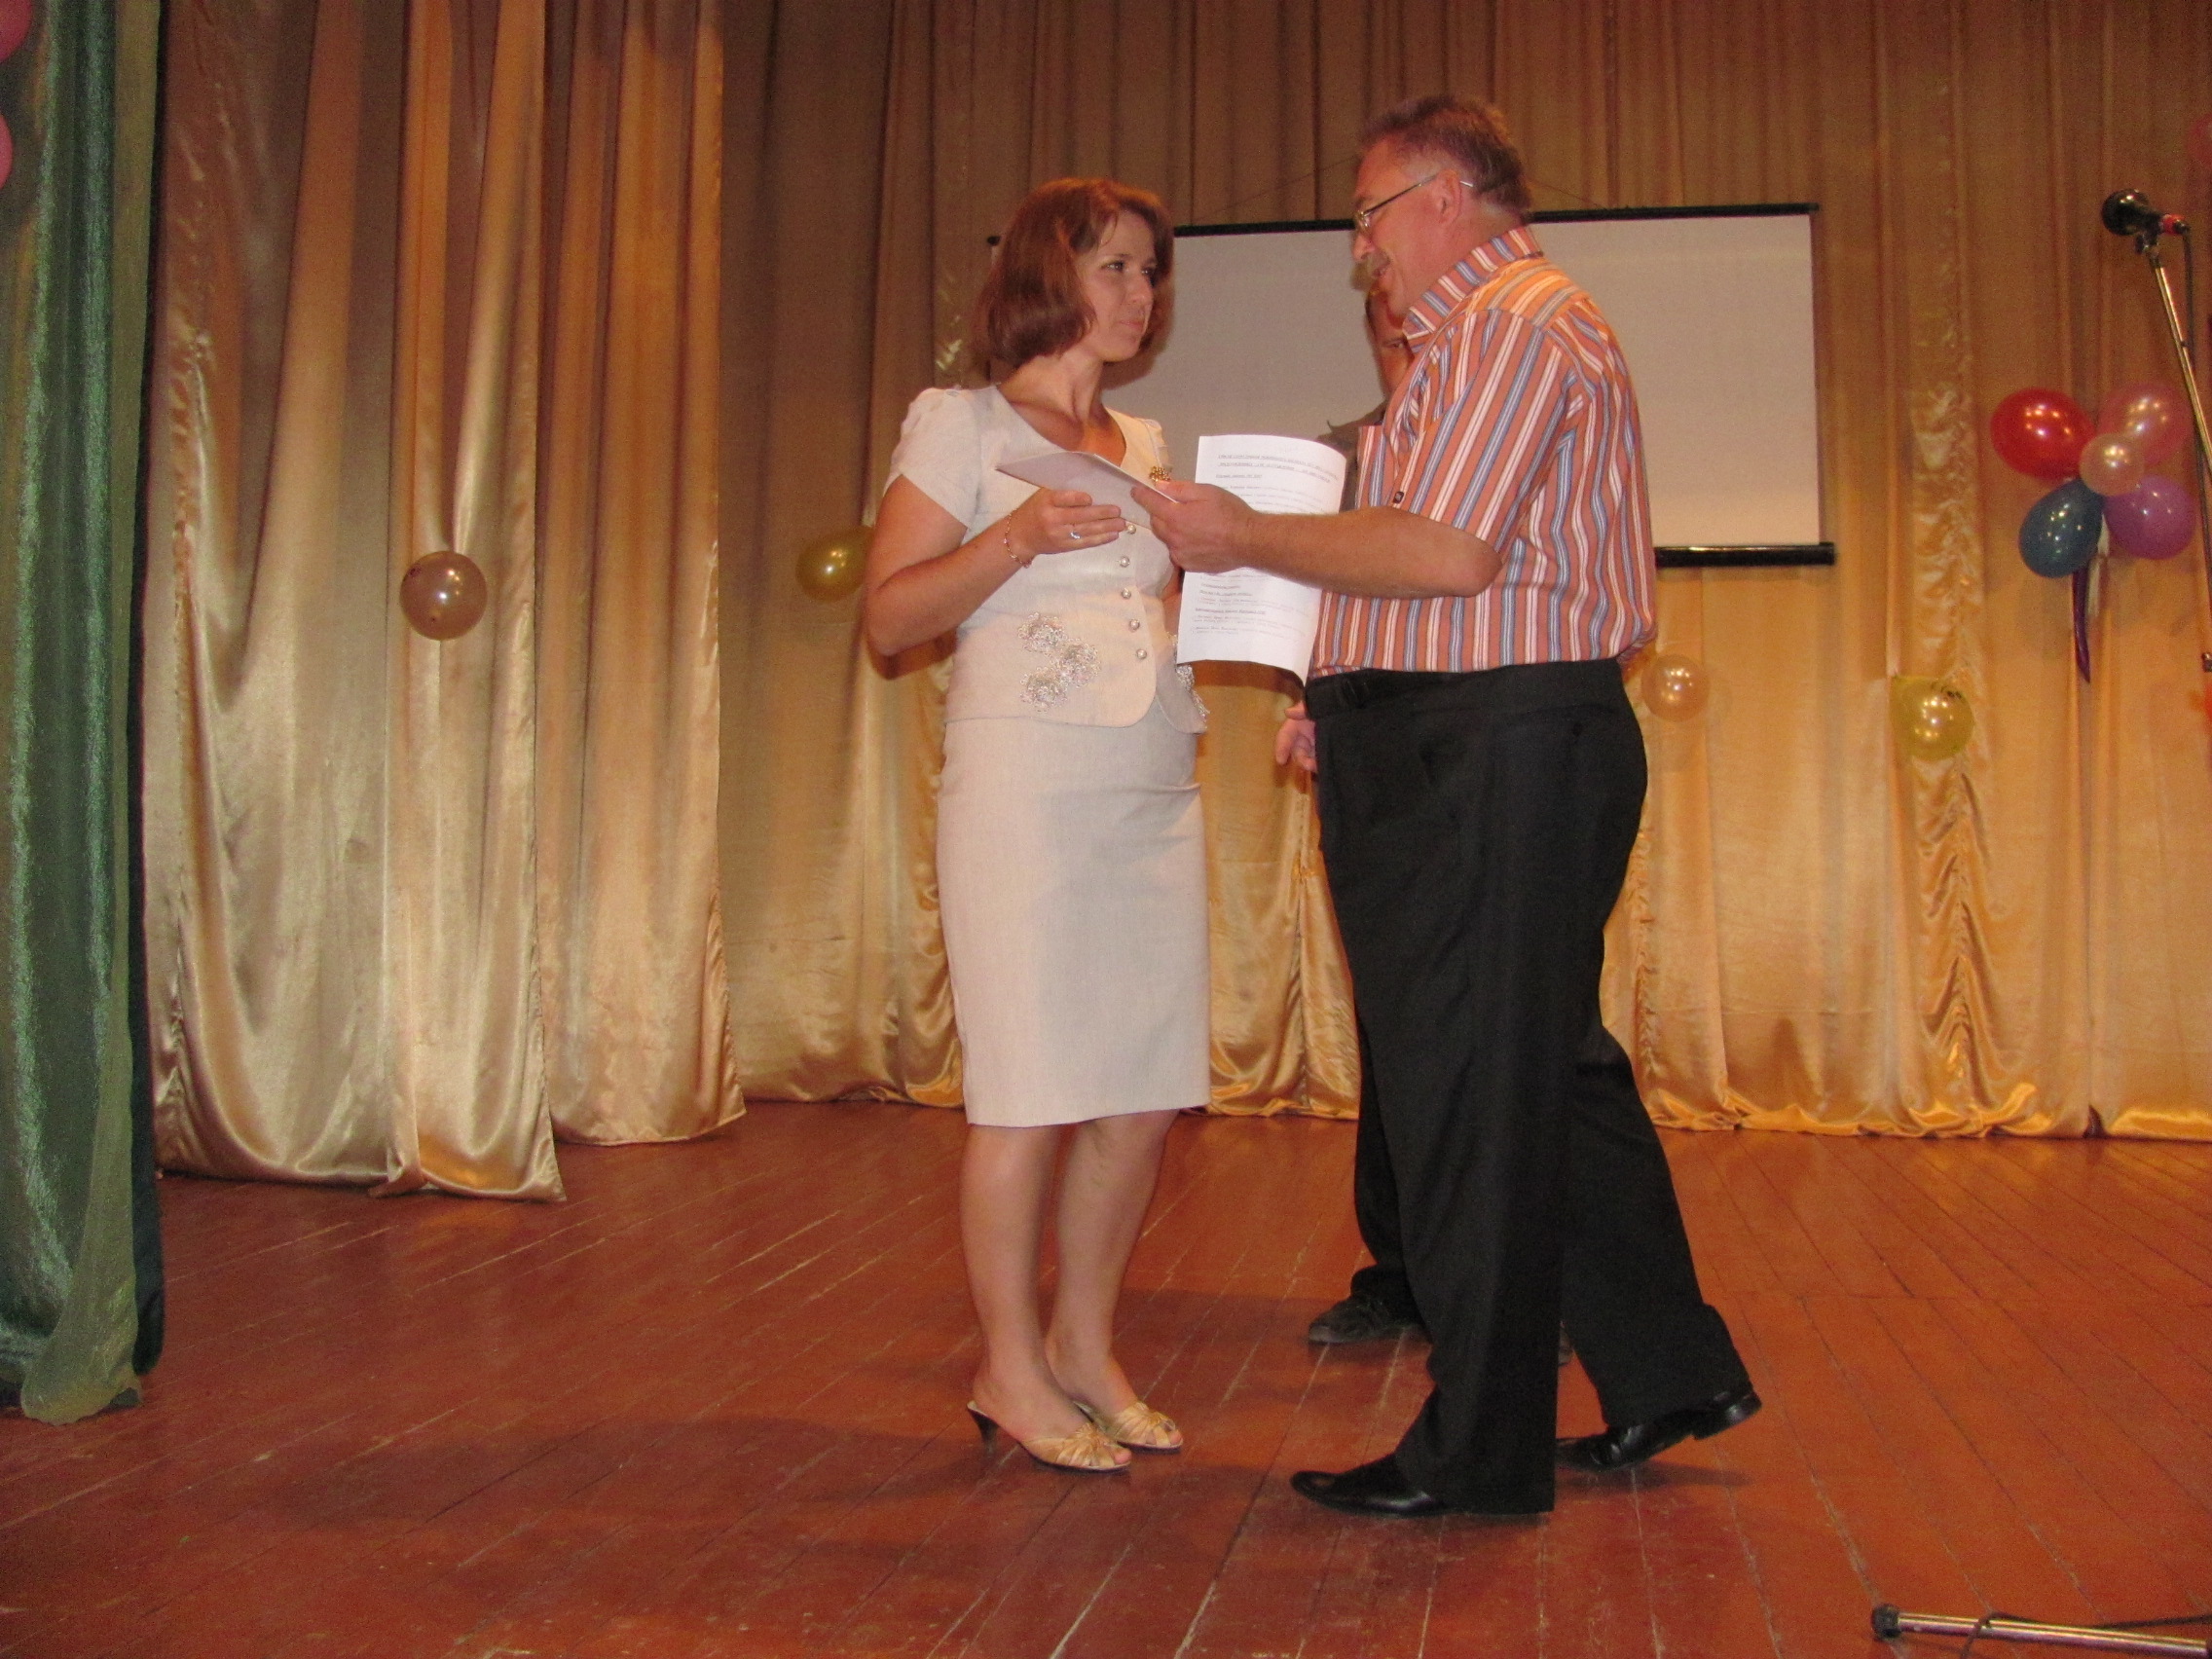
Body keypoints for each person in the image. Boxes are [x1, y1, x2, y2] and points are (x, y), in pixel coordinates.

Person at [1145, 95, 1755, 1519]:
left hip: (1494, 749)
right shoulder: (1472, 340)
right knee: (1544, 1069)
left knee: (1473, 1092)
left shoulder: (1511, 323)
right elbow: (1442, 575)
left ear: (1439, 194)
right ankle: (1667, 1370)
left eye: (1366, 218)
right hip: (1480, 738)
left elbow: (1448, 553)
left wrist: (1240, 535)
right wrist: (1344, 682)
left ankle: (1481, 1450)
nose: (1358, 250)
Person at [862, 178, 1208, 1476]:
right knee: (1026, 1094)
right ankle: (1007, 1367)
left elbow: (1153, 611)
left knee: (1141, 1097)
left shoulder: (1147, 445)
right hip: (1026, 790)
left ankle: (1083, 1348)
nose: (1139, 292)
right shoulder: (959, 423)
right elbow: (890, 619)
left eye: (1149, 271)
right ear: (1047, 275)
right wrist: (1013, 537)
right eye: (1115, 266)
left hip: (1149, 786)